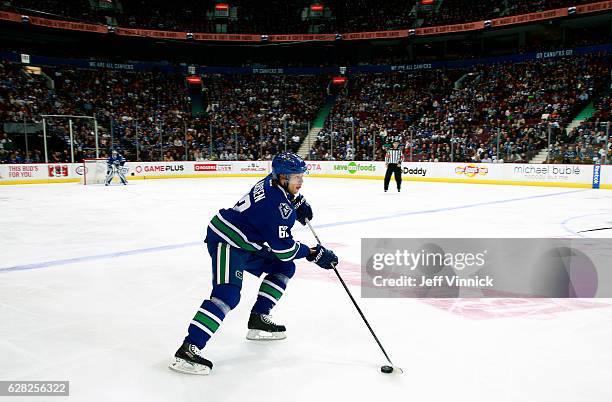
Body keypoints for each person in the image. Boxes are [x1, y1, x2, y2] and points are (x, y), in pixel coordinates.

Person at [169, 152, 338, 375]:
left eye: (301, 177)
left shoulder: (273, 181)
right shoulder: (276, 207)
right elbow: (285, 249)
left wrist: (298, 201)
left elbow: (283, 254)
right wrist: (313, 253)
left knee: (283, 267)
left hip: (247, 241)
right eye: (297, 177)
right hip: (227, 240)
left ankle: (259, 318)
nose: (301, 181)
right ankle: (188, 350)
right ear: (283, 178)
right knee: (227, 294)